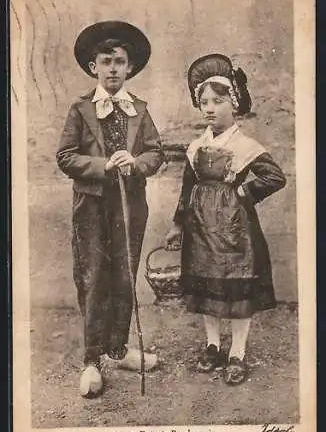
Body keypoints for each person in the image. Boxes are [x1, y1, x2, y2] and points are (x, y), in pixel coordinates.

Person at [56, 21, 165, 398]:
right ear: (93, 67)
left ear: (130, 67)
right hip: (91, 205)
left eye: (120, 62)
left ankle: (117, 350)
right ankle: (91, 361)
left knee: (123, 275)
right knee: (93, 276)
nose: (114, 69)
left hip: (130, 205)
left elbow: (156, 152)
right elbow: (65, 156)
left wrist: (136, 163)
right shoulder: (81, 109)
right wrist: (102, 166)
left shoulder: (140, 110)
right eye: (106, 62)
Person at [165, 53, 286, 385]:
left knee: (236, 288)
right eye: (204, 101)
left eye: (218, 101)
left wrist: (243, 194)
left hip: (235, 230)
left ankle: (238, 352)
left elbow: (275, 177)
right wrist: (178, 224)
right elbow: (188, 187)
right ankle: (213, 345)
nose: (209, 108)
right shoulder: (195, 148)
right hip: (200, 227)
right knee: (206, 284)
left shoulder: (246, 146)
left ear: (233, 104)